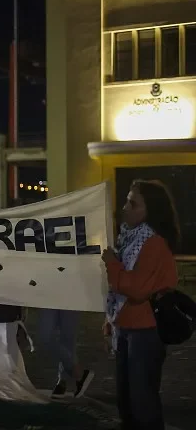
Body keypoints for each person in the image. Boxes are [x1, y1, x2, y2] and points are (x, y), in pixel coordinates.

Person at [101, 180, 179, 430]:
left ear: (150, 211)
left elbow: (136, 288)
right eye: (126, 201)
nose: (125, 208)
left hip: (145, 331)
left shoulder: (153, 243)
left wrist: (112, 263)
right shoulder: (130, 238)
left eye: (132, 203)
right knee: (127, 400)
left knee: (142, 402)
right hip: (129, 327)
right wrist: (111, 319)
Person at [37, 309, 93, 398]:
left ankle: (62, 381)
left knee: (68, 339)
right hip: (48, 298)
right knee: (45, 337)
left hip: (72, 298)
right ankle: (79, 373)